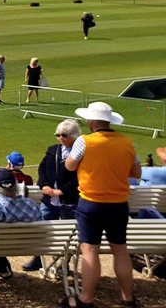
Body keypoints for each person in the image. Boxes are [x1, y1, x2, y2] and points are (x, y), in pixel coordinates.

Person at [63, 101, 141, 308]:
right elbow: (137, 173)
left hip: (91, 203)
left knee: (90, 251)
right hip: (118, 203)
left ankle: (86, 299)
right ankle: (127, 298)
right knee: (120, 250)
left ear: (91, 121)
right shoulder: (126, 142)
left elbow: (70, 166)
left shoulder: (85, 141)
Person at [22, 119, 81, 272]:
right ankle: (38, 259)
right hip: (49, 199)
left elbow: (80, 177)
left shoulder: (81, 153)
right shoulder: (53, 150)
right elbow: (42, 169)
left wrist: (63, 191)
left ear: (74, 136)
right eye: (58, 135)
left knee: (70, 234)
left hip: (70, 200)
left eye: (64, 135)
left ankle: (65, 264)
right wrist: (44, 185)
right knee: (42, 228)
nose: (60, 138)